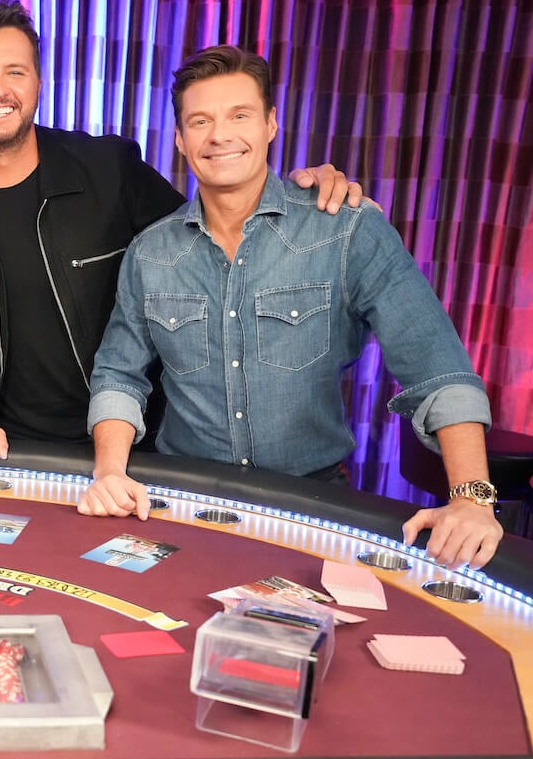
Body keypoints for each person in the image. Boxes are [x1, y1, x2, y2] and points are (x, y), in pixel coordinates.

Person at [81, 45, 500, 570]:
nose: (220, 135)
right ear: (181, 140)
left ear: (271, 124)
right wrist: (111, 472)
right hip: (182, 495)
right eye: (200, 121)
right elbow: (119, 374)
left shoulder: (347, 228)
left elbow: (438, 370)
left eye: (240, 115)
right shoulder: (150, 252)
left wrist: (471, 498)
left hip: (312, 501)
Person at [0, 1, 362, 477]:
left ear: (38, 84)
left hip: (138, 447)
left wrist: (295, 196)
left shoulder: (109, 170)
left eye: (15, 72)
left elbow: (213, 230)